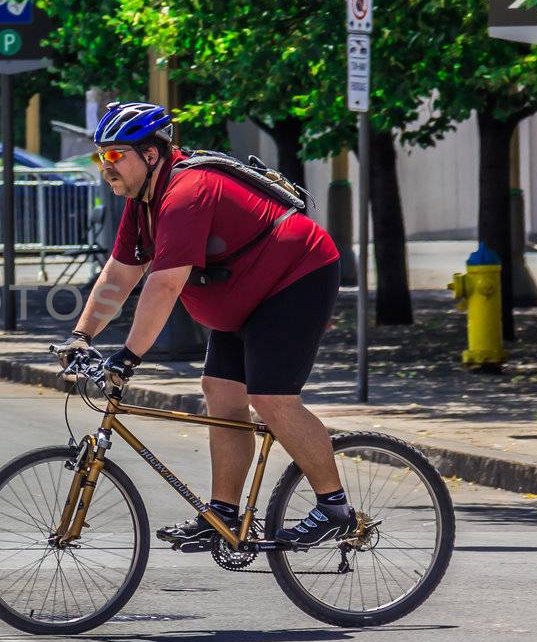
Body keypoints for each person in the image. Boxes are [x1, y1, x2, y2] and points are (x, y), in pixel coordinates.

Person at [61, 101, 348, 548]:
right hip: (246, 294)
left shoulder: (187, 193)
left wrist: (129, 356)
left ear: (151, 155)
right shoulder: (143, 203)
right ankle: (226, 516)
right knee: (219, 391)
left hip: (297, 276)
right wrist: (81, 336)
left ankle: (335, 508)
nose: (106, 167)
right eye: (101, 157)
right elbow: (119, 274)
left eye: (115, 155)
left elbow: (164, 286)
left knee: (271, 398)